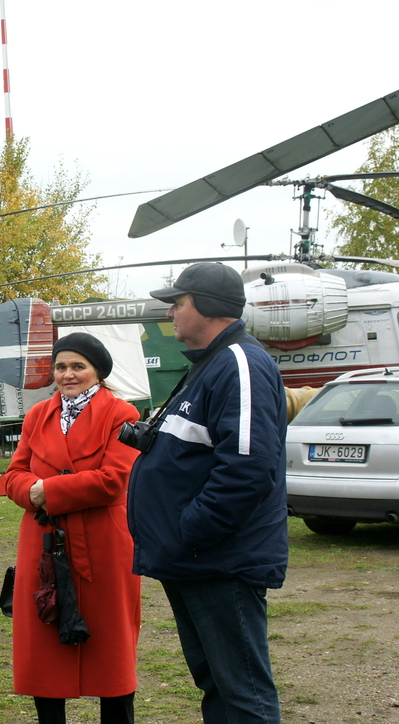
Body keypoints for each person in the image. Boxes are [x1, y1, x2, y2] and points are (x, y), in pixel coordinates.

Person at [128, 263, 288, 723]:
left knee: (243, 694)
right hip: (196, 560)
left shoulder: (239, 362)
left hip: (219, 561)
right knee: (217, 684)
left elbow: (248, 468)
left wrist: (191, 532)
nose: (171, 313)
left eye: (178, 303)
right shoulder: (211, 364)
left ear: (208, 307)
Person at [3, 332, 142, 724]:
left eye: (78, 366)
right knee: (44, 649)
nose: (68, 375)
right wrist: (31, 492)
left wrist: (48, 489)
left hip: (102, 544)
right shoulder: (37, 415)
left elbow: (115, 479)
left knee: (110, 644)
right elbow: (14, 474)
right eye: (61, 367)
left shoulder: (121, 414)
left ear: (97, 372)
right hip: (43, 542)